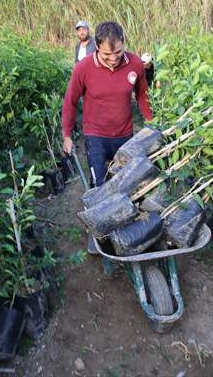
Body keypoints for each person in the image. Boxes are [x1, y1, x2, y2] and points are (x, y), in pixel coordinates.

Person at [62, 21, 153, 253]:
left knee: (128, 183)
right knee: (100, 185)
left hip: (125, 135)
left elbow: (142, 95)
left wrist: (152, 123)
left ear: (124, 44)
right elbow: (70, 102)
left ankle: (126, 229)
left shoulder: (134, 64)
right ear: (97, 47)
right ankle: (99, 232)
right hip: (96, 135)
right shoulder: (83, 68)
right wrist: (67, 135)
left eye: (118, 52)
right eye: (107, 54)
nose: (113, 58)